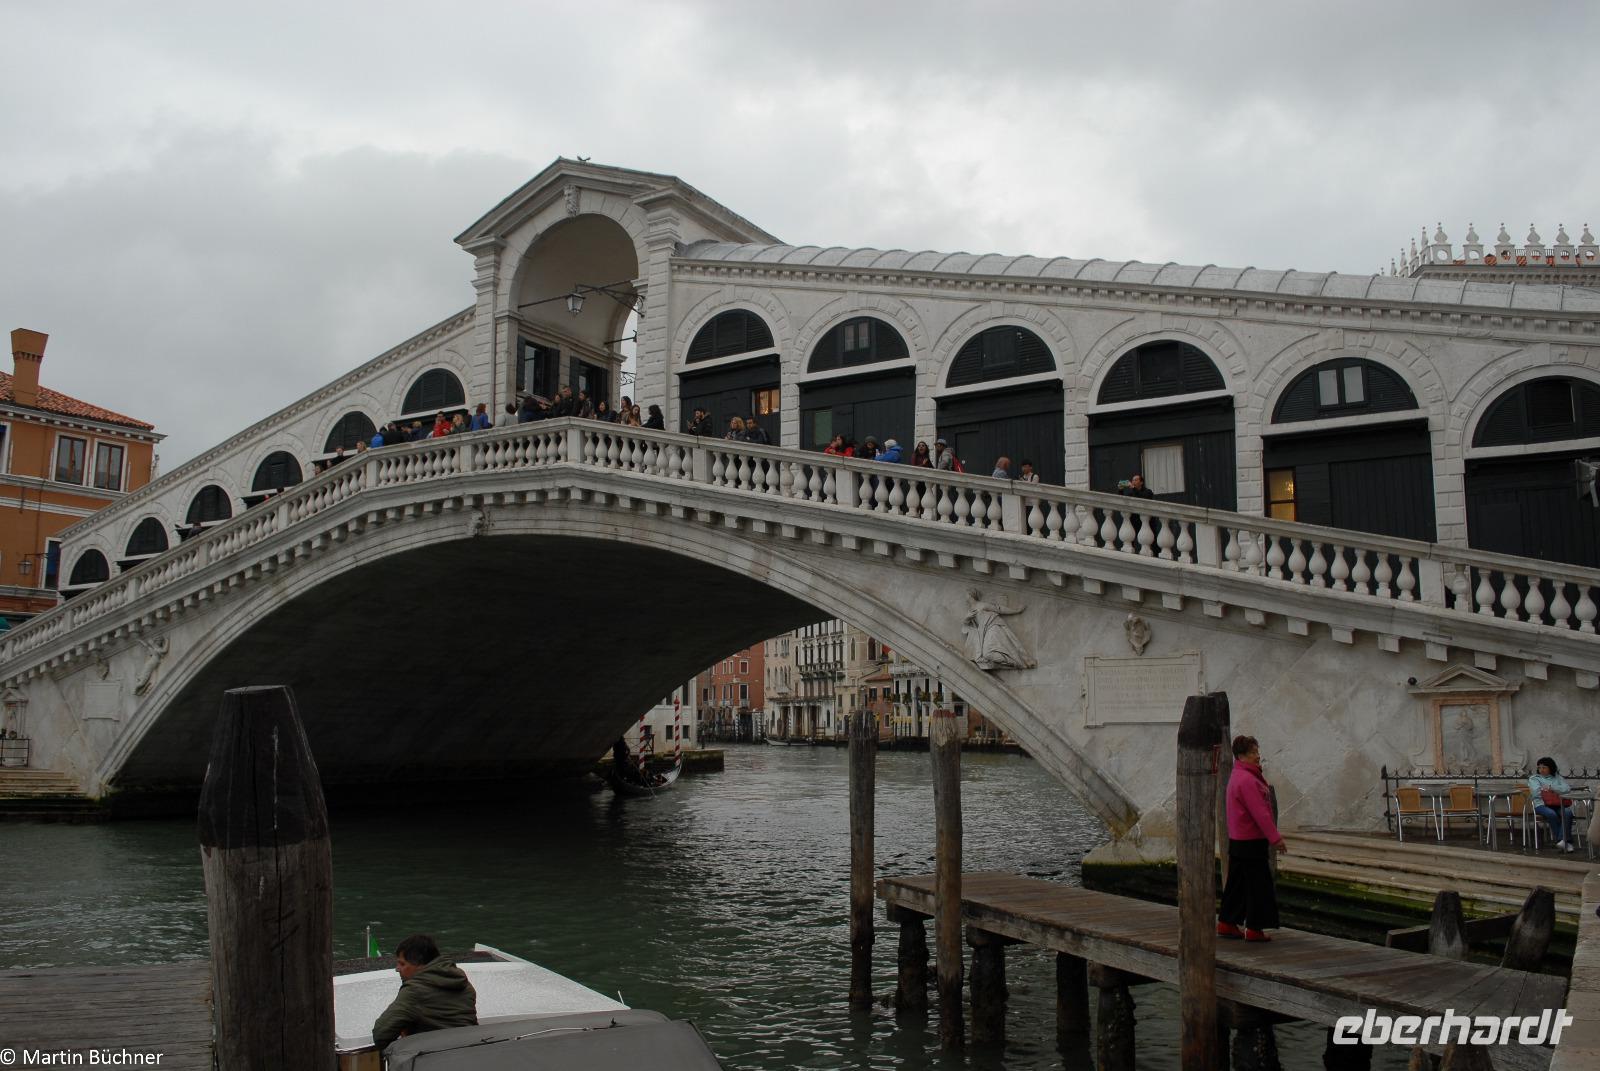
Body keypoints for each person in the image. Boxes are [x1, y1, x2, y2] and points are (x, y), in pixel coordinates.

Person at [1217, 735, 1287, 942]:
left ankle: (1227, 922)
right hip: (1251, 841)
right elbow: (1261, 813)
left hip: (1239, 841)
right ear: (1241, 756)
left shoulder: (1237, 776)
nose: (1257, 756)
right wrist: (1275, 838)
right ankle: (1255, 928)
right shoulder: (1248, 780)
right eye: (1253, 753)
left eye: (1257, 751)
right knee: (1259, 885)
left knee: (1237, 884)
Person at [371, 934, 479, 1053]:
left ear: (420, 966)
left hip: (434, 1061)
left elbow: (380, 1035)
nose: (397, 969)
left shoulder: (414, 991)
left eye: (402, 964)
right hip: (472, 1056)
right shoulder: (465, 985)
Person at [1529, 757, 1577, 852]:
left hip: (1558, 804)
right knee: (1551, 814)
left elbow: (1566, 789)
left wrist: (1551, 788)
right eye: (1539, 768)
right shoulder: (1534, 778)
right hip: (1541, 804)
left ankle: (1563, 841)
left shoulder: (1557, 777)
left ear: (1550, 768)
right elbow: (1536, 792)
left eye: (1544, 767)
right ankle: (1565, 841)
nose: (1541, 770)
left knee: (1568, 813)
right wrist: (1556, 790)